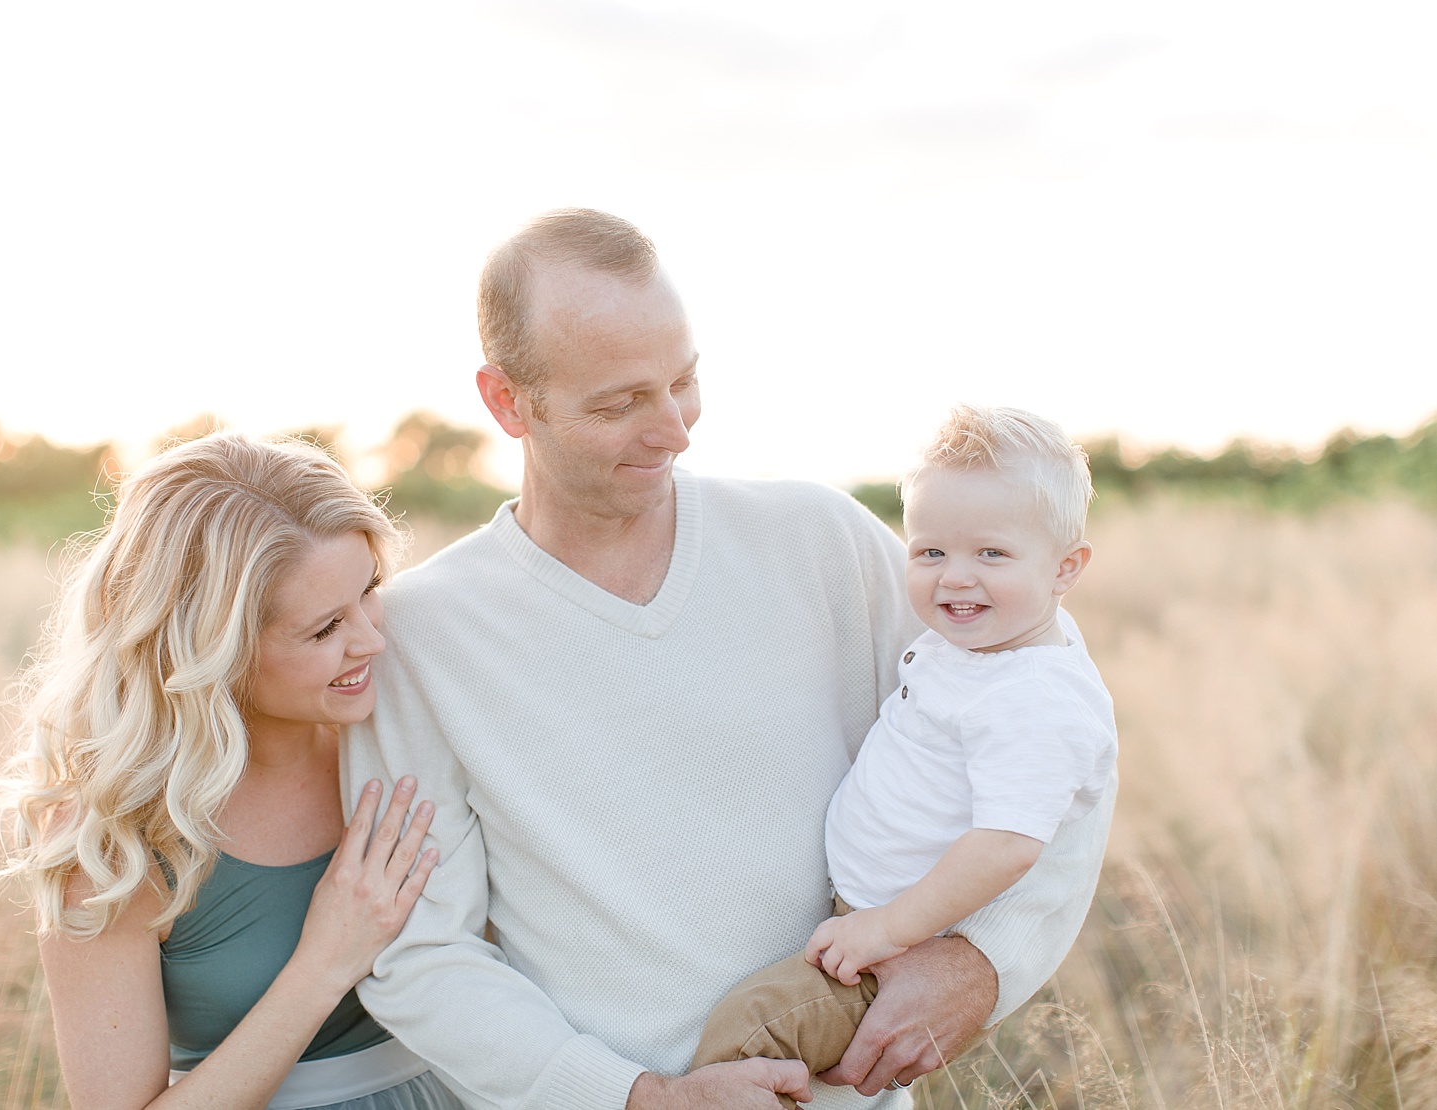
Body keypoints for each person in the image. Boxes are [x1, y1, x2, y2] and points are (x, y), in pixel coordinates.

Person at [345, 209, 1115, 1109]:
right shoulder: (422, 637)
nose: (674, 430)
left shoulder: (820, 542)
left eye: (683, 381)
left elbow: (1055, 750)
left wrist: (982, 961)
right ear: (507, 401)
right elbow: (419, 956)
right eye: (620, 403)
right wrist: (640, 1098)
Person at [0, 433, 464, 1110]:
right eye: (325, 629)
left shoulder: (414, 730)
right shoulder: (114, 840)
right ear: (212, 650)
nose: (372, 640)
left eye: (370, 591)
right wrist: (323, 965)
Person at [690, 406, 1117, 1101]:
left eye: (991, 554)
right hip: (862, 919)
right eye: (930, 552)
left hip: (897, 949)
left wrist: (886, 930)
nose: (954, 578)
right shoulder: (977, 645)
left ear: (1065, 568)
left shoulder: (1035, 697)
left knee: (750, 1034)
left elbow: (1008, 845)